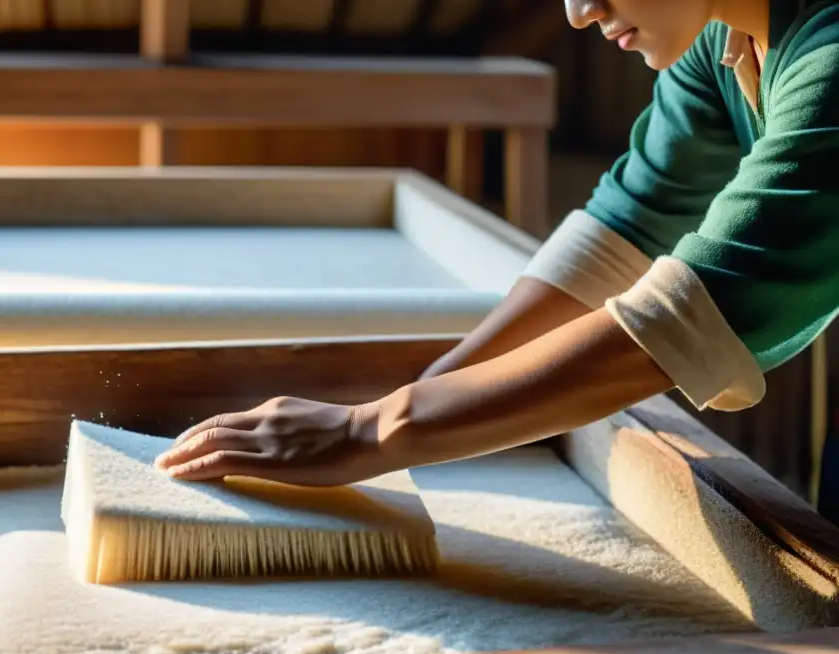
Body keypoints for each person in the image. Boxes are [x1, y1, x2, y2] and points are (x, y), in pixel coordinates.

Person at [156, 0, 839, 487]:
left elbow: (692, 314)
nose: (578, 12)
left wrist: (368, 432)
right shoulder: (721, 43)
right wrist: (437, 389)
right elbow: (629, 225)